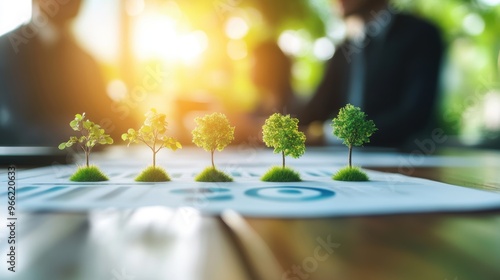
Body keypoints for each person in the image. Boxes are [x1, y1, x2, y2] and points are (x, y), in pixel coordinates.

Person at [298, 0, 443, 148]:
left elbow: (414, 115)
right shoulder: (345, 49)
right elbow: (314, 109)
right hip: (345, 159)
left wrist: (333, 135)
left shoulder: (420, 35)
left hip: (403, 159)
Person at [0, 0, 130, 146]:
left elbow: (109, 116)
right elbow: (18, 127)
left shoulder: (85, 60)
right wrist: (85, 134)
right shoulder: (6, 50)